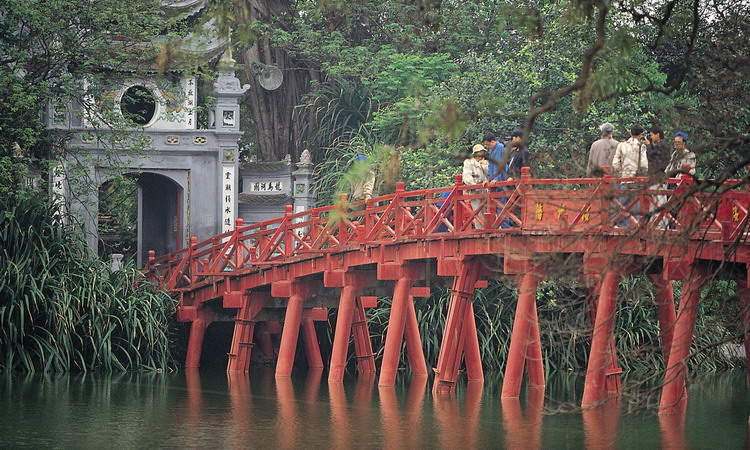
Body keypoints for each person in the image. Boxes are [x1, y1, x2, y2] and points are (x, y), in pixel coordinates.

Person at [612, 126, 649, 227]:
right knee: (635, 206)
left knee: (623, 205)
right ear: (641, 135)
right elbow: (644, 165)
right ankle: (634, 227)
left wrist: (621, 174)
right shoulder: (642, 146)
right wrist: (642, 175)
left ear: (630, 133)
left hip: (624, 179)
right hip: (636, 181)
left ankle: (623, 227)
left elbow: (615, 163)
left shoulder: (621, 145)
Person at [463, 144, 489, 228]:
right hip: (474, 190)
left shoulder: (486, 162)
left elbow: (489, 175)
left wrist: (484, 166)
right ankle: (480, 230)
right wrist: (474, 185)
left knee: (488, 210)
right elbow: (466, 177)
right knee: (477, 211)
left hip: (485, 189)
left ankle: (490, 228)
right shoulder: (469, 162)